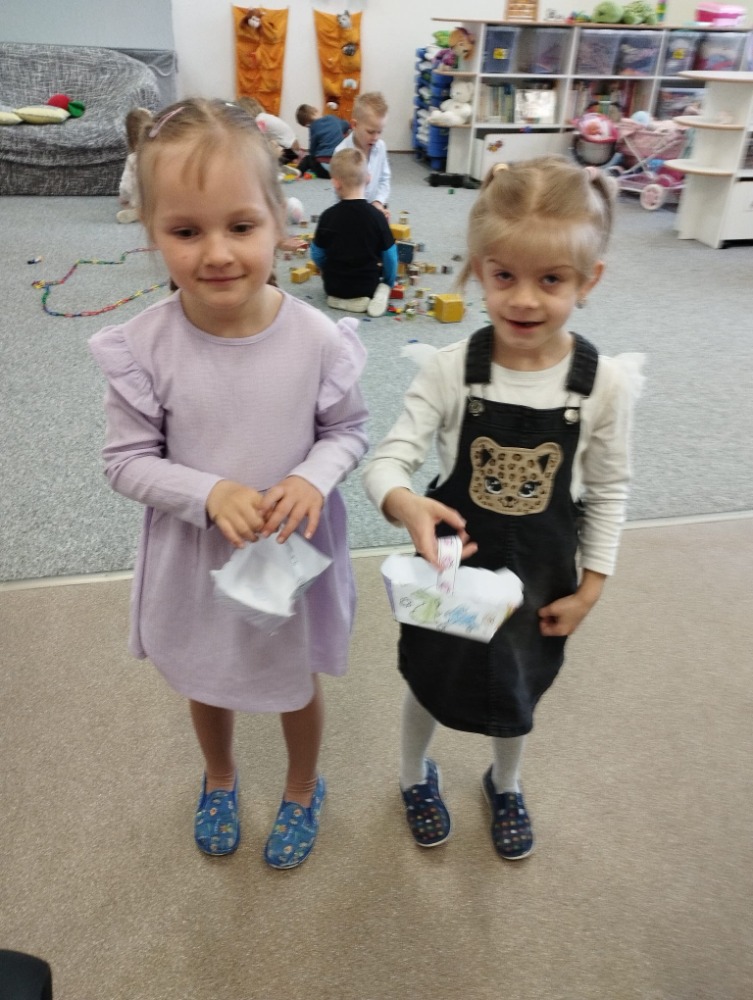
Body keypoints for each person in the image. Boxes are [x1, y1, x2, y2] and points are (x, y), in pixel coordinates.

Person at [89, 99, 369, 870]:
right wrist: (207, 494)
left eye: (240, 226)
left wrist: (311, 478)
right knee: (205, 674)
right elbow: (126, 460)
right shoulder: (143, 348)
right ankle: (219, 775)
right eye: (186, 231)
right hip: (198, 557)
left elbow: (348, 431)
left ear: (281, 223)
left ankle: (303, 786)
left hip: (288, 558)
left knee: (292, 679)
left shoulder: (317, 340)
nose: (216, 253)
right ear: (152, 233)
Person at [362, 156, 644, 860]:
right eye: (503, 275)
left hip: (541, 578)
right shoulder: (451, 370)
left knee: (517, 689)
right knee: (431, 679)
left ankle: (506, 782)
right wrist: (405, 504)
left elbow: (609, 489)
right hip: (452, 572)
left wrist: (592, 589)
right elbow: (387, 462)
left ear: (588, 280)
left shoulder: (602, 385)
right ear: (478, 268)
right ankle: (412, 775)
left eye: (551, 280)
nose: (523, 300)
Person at [310, 148, 397, 318]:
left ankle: (338, 299)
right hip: (367, 287)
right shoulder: (377, 217)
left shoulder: (327, 216)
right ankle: (381, 292)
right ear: (368, 178)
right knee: (383, 284)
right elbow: (391, 257)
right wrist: (388, 281)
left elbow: (317, 254)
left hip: (332, 287)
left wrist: (327, 269)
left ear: (335, 183)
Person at [334, 91, 390, 215]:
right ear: (354, 125)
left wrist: (378, 202)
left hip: (375, 206)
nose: (375, 137)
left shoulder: (380, 147)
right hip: (349, 209)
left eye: (379, 132)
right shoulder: (341, 152)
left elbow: (384, 179)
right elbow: (339, 190)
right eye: (370, 132)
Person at [236, 96, 300, 165]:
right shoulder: (263, 117)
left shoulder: (259, 120)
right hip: (292, 148)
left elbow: (259, 140)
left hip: (289, 150)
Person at [116, 107, 152, 223]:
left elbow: (126, 184)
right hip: (159, 197)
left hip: (139, 199)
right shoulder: (159, 155)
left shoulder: (133, 158)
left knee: (133, 198)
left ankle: (138, 210)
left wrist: (124, 197)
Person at [295, 103, 350, 178]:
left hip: (325, 170)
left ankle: (297, 172)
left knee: (308, 159)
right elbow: (346, 125)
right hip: (339, 169)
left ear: (307, 124)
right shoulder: (333, 118)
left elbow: (312, 151)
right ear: (316, 109)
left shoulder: (313, 127)